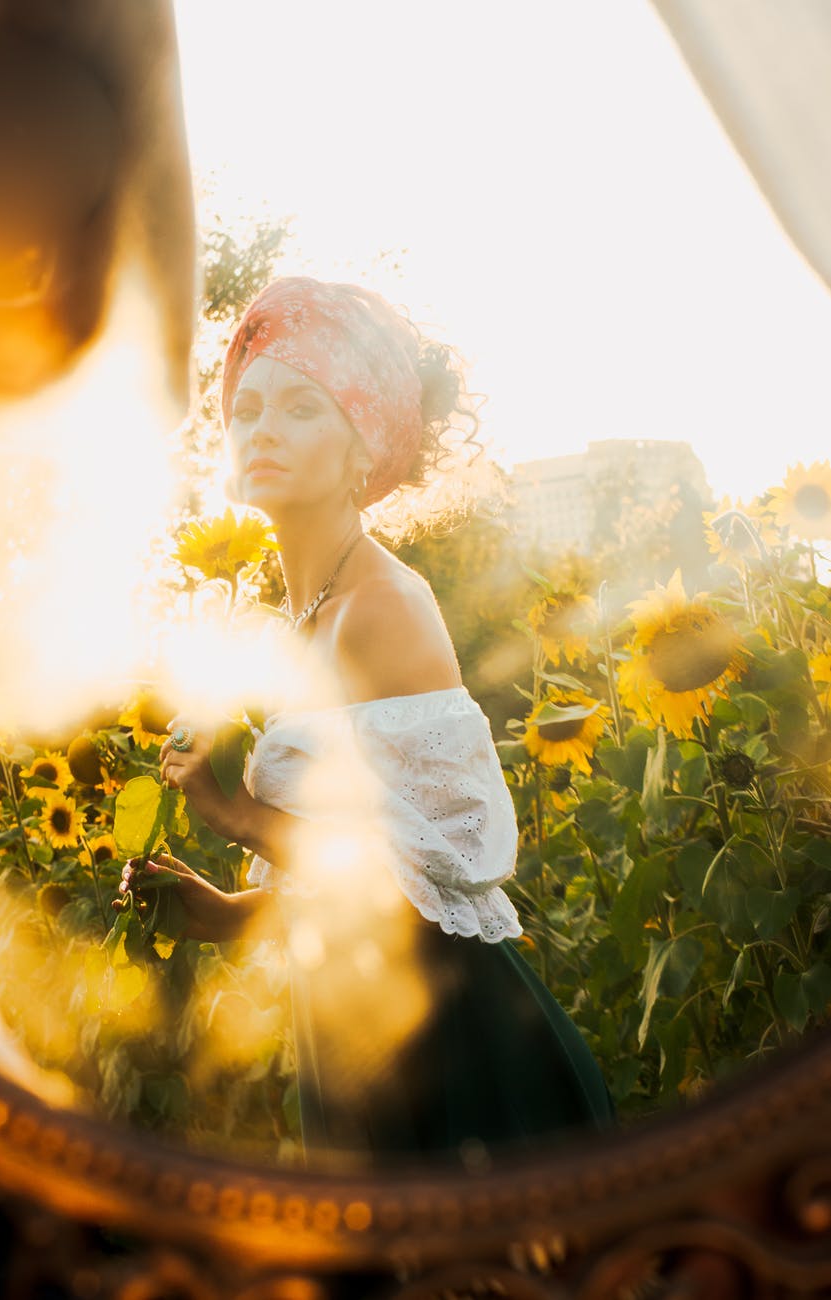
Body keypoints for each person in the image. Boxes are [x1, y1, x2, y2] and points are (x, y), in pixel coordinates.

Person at [118, 277, 615, 1168]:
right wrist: (236, 912)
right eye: (248, 407)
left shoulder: (381, 606)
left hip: (452, 1057)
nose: (261, 428)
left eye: (301, 407)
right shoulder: (308, 611)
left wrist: (234, 813)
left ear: (364, 446)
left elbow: (428, 881)